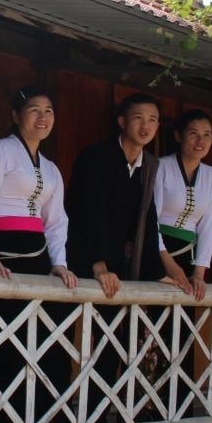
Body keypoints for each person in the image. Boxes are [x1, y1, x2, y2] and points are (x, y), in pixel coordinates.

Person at [0, 87, 77, 423]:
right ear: (16, 116)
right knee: (5, 342)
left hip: (38, 257)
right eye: (34, 109)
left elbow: (56, 221)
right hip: (3, 254)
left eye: (48, 110)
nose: (43, 117)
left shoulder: (51, 169)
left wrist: (59, 263)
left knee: (49, 337)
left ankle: (47, 421)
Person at [65, 93, 162, 299]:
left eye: (152, 120)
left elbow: (148, 220)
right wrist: (99, 265)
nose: (145, 125)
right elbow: (90, 213)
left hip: (118, 266)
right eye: (138, 118)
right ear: (122, 122)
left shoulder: (148, 166)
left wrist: (157, 274)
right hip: (83, 258)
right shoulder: (95, 157)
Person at [155, 109, 212, 302]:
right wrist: (168, 263)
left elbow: (210, 226)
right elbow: (150, 217)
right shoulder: (160, 167)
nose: (201, 141)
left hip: (188, 254)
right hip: (155, 251)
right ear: (178, 136)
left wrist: (199, 273)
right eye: (193, 134)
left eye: (207, 135)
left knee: (183, 312)